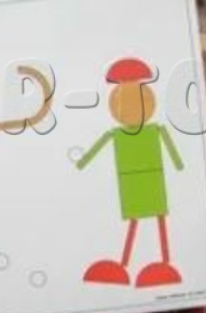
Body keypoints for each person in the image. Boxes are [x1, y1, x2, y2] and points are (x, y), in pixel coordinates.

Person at [74, 57, 184, 287]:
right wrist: (81, 163)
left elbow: (174, 155)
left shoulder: (155, 130)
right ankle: (123, 265)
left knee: (159, 219)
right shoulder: (119, 134)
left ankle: (164, 263)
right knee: (134, 221)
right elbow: (95, 149)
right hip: (130, 181)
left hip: (151, 177)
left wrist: (179, 166)